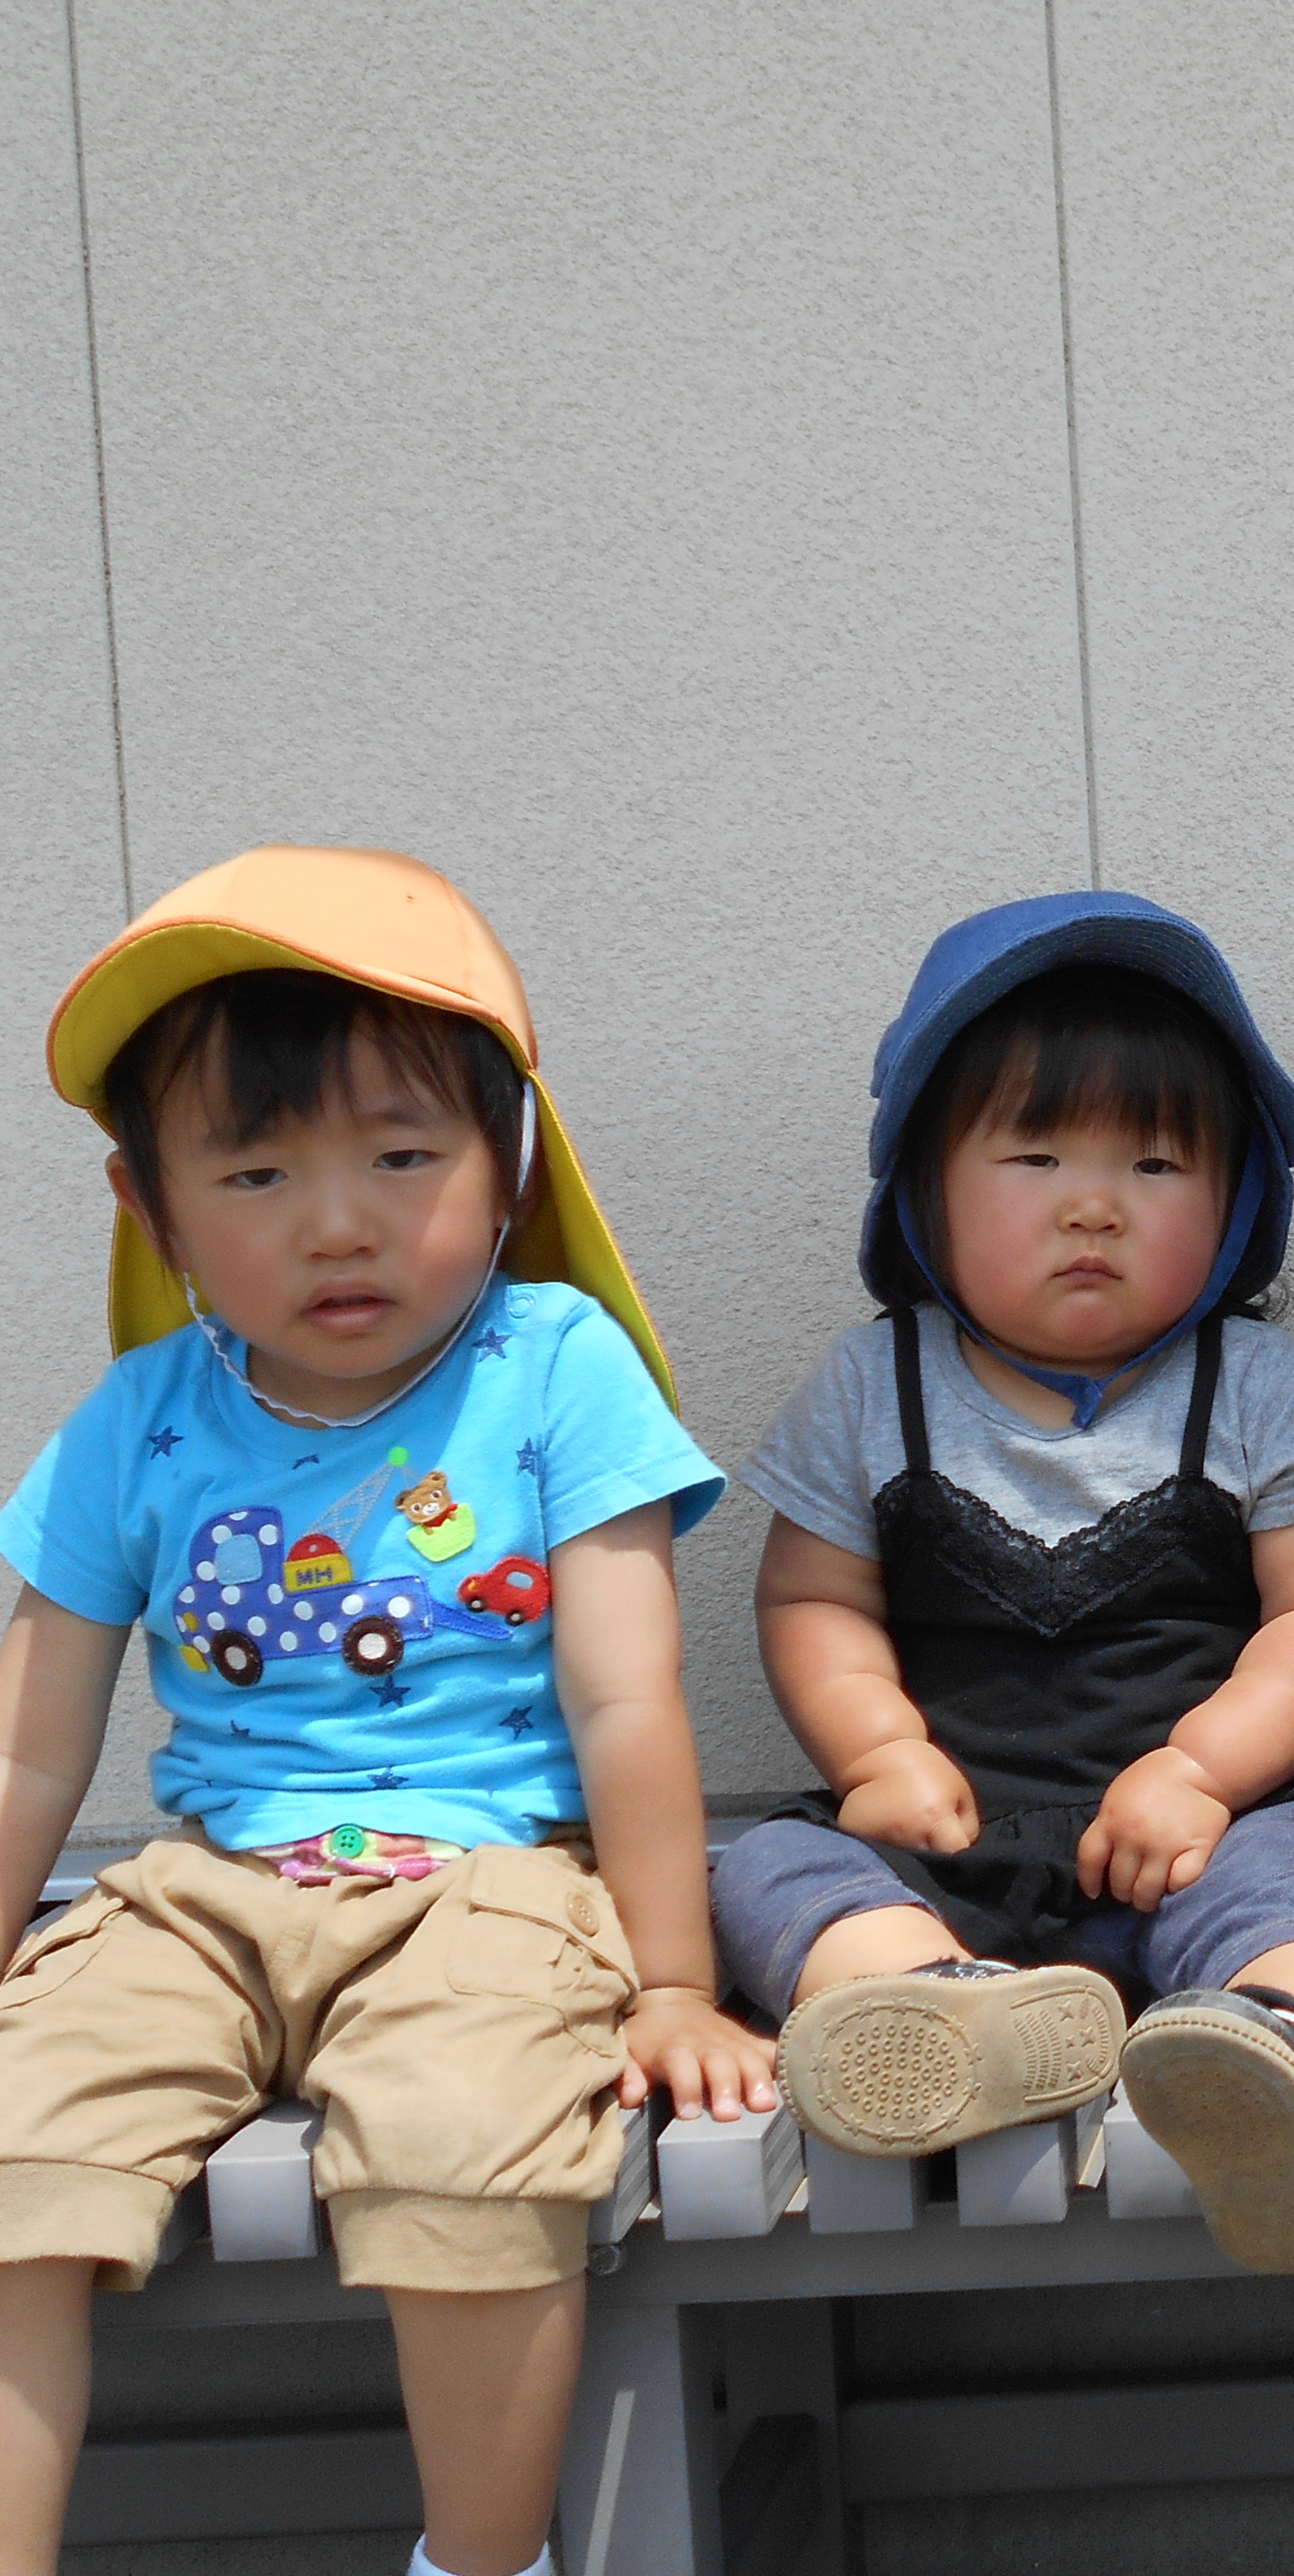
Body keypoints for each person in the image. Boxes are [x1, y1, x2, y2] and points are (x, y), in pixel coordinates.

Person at [0, 848, 772, 2576]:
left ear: (511, 1163)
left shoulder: (552, 1364)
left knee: (469, 2149)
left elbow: (627, 1697)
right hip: (201, 1894)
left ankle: (481, 2565)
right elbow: (29, 1743)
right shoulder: (139, 1416)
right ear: (150, 1205)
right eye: (256, 1170)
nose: (336, 1222)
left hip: (489, 1888)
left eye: (401, 1156)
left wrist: (669, 1981)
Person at [710, 896, 1294, 2275]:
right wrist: (876, 1752)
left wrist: (1205, 1771)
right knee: (772, 1868)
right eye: (1035, 1156)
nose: (1093, 1204)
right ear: (925, 1187)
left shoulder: (1255, 1388)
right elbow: (811, 1602)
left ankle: (1286, 2046)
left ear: (1236, 1206)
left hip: (1209, 1823)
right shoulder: (874, 1386)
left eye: (1155, 1164)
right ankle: (936, 2010)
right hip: (952, 1829)